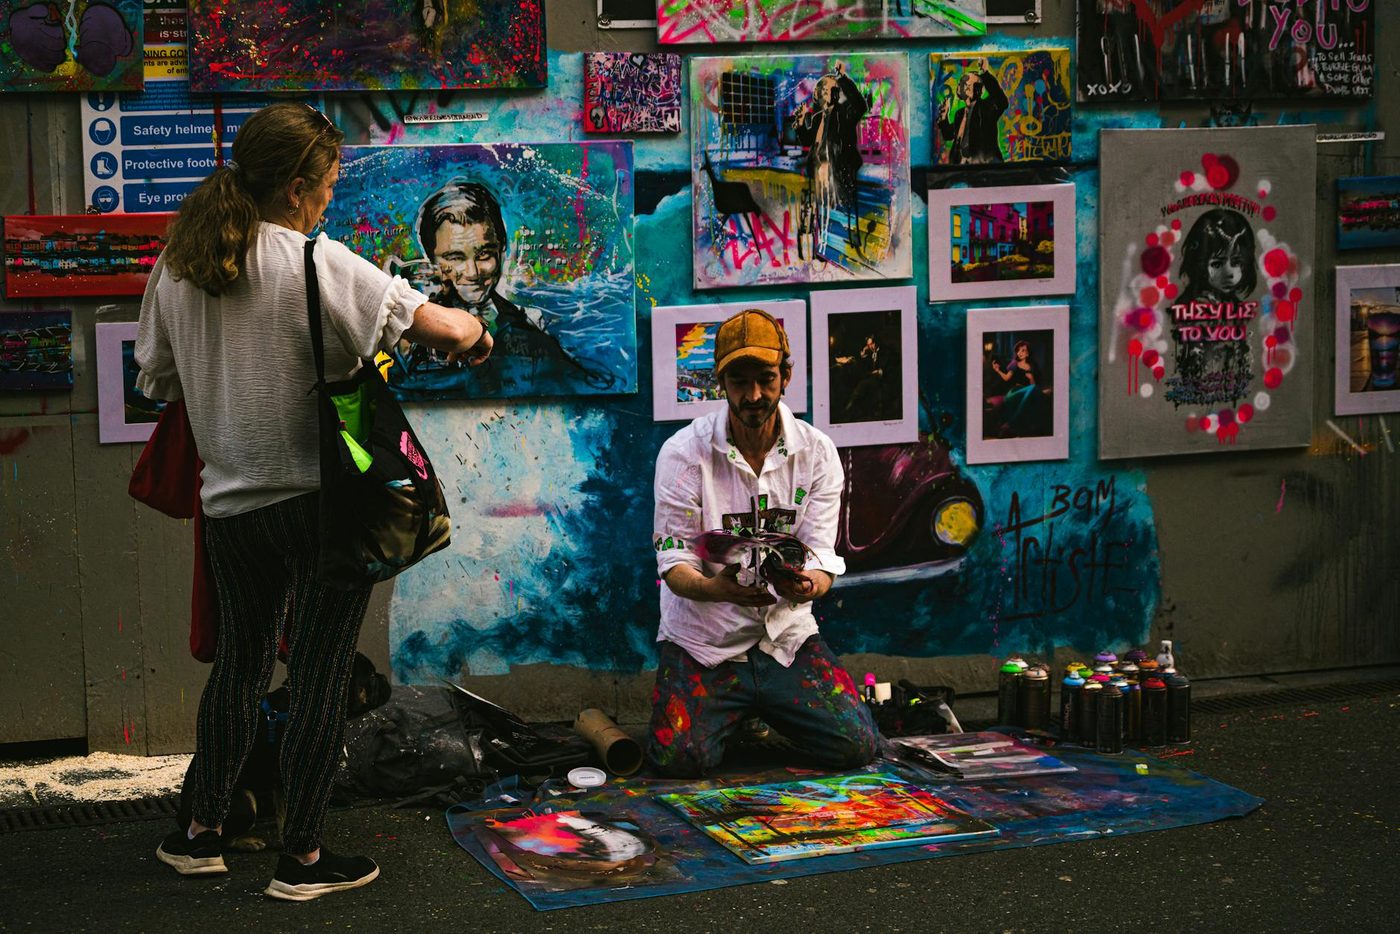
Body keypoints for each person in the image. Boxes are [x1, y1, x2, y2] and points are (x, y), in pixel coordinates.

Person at [138, 102, 492, 901]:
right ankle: (301, 857)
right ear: (297, 186)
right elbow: (431, 325)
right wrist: (477, 335)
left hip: (230, 509)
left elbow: (157, 380)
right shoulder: (312, 261)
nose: (330, 199)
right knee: (321, 675)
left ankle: (198, 833)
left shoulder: (181, 264)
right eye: (328, 184)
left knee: (240, 666)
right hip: (320, 505)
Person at [647, 308, 878, 778]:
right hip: (704, 642)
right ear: (720, 382)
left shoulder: (816, 453)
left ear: (786, 375)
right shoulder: (682, 454)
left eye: (766, 379)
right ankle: (734, 716)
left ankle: (759, 714)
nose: (753, 395)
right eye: (739, 380)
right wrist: (717, 589)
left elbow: (819, 555)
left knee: (856, 746)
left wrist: (809, 584)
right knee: (680, 760)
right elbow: (672, 561)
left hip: (783, 638)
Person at [391, 178, 612, 397]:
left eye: (484, 255)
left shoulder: (529, 336)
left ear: (502, 248)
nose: (473, 272)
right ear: (431, 259)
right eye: (455, 257)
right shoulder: (409, 331)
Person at [1169, 208, 1257, 405]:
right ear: (1200, 264)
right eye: (1217, 264)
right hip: (1201, 390)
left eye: (1236, 262)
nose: (1229, 273)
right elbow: (1188, 357)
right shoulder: (1192, 307)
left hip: (1230, 388)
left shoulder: (1235, 307)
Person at [790, 62, 870, 254]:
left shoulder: (845, 114)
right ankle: (821, 243)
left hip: (839, 172)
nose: (829, 92)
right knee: (817, 209)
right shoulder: (817, 118)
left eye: (833, 88)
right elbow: (807, 140)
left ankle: (833, 244)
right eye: (825, 89)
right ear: (818, 94)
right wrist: (801, 124)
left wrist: (842, 78)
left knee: (832, 209)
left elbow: (861, 105)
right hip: (818, 174)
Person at [937, 59, 1008, 165]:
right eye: (962, 81)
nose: (962, 84)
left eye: (967, 81)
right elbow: (949, 135)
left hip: (984, 168)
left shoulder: (986, 108)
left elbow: (1001, 101)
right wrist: (944, 117)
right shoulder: (959, 114)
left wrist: (985, 74)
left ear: (978, 89)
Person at [987, 340, 1048, 438]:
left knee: (1036, 391)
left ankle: (1036, 427)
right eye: (1018, 350)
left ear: (1028, 353)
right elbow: (1007, 378)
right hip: (1014, 393)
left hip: (1026, 393)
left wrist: (1031, 378)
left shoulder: (1032, 366)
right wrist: (998, 371)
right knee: (1035, 390)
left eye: (1023, 350)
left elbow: (1033, 386)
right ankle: (1011, 423)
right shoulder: (1014, 363)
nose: (1019, 353)